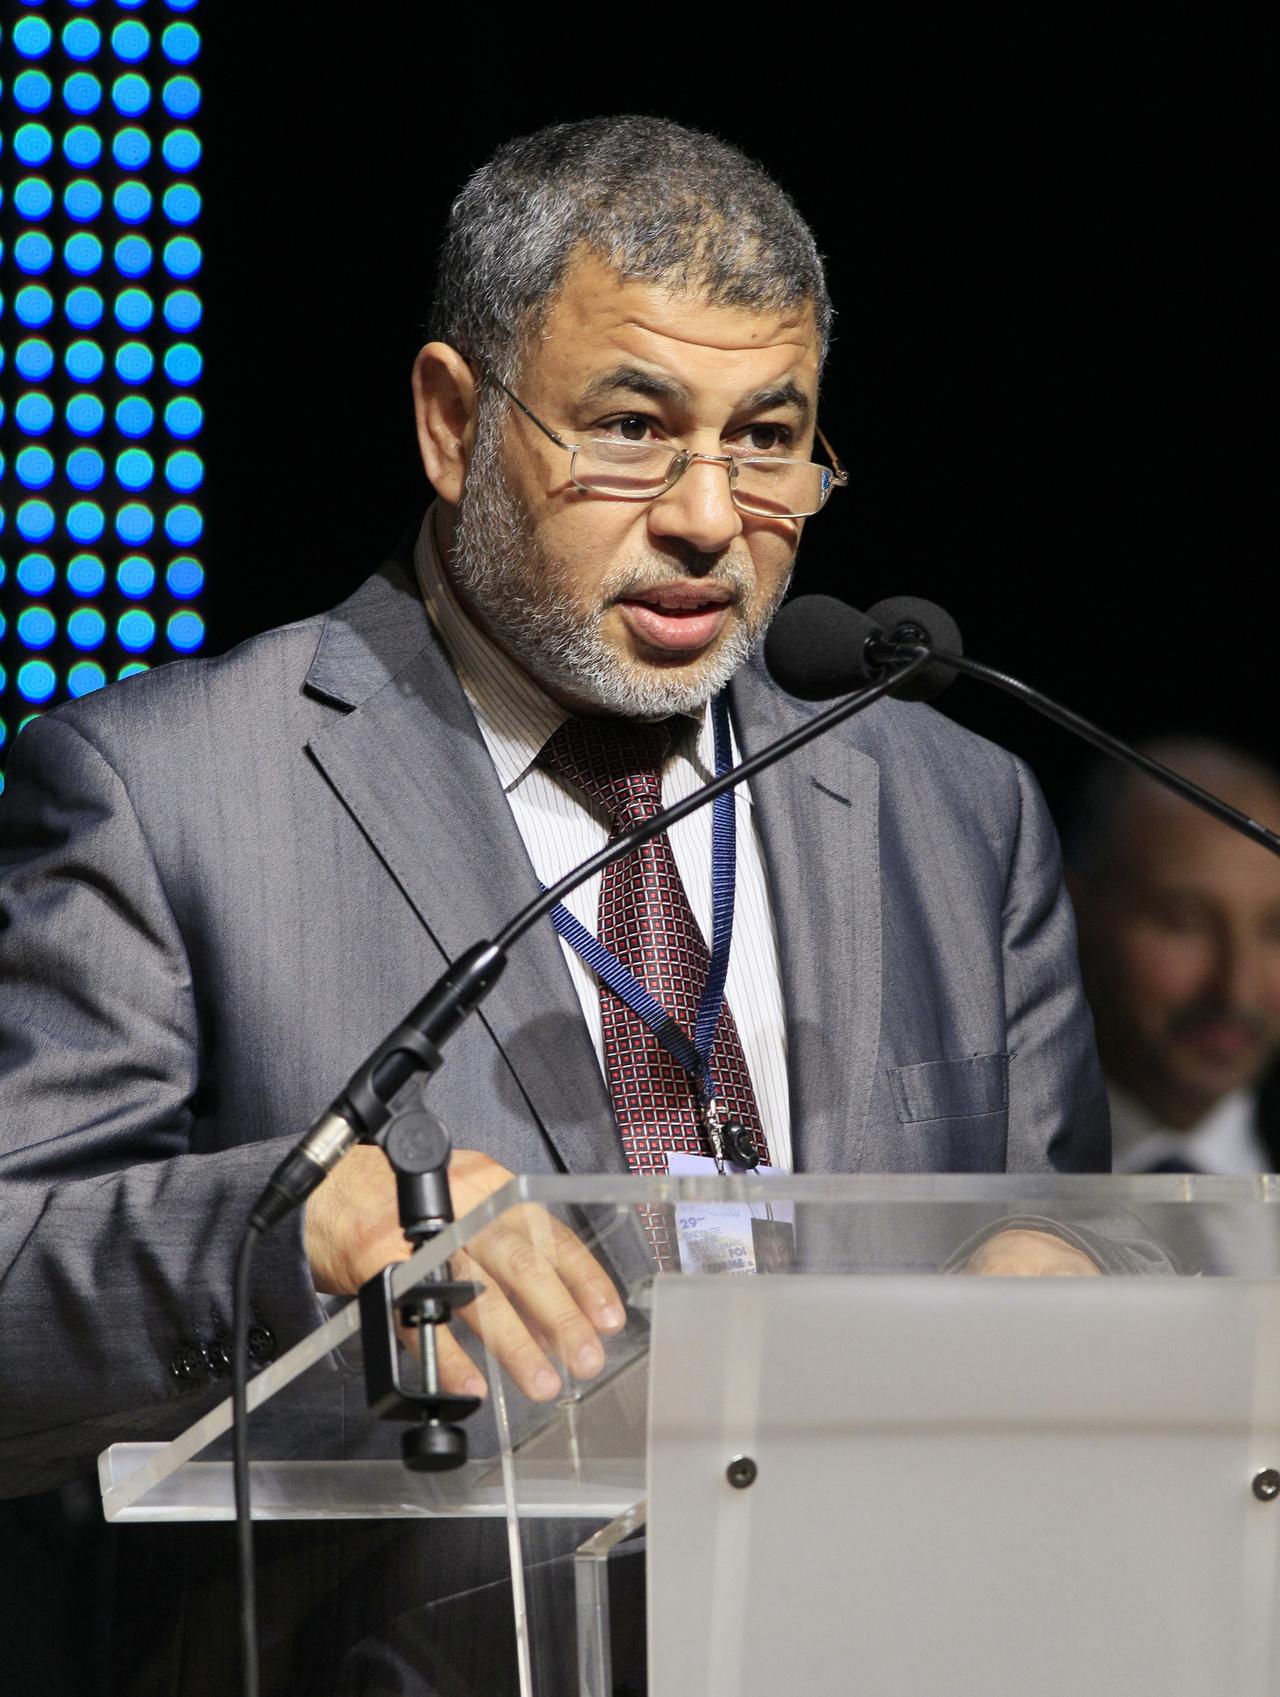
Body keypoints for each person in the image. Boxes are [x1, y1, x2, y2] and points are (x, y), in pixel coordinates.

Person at [0, 116, 1119, 1694]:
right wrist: (280, 1233)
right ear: (454, 421)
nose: (710, 517)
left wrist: (1074, 1286)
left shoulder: (953, 811)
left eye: (770, 437)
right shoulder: (168, 792)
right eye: (634, 427)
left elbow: (1102, 1238)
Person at [1068, 738, 1280, 1179]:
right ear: (1072, 913)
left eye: (1277, 931)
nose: (1236, 989)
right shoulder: (964, 1163)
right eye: (1185, 922)